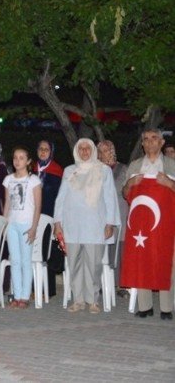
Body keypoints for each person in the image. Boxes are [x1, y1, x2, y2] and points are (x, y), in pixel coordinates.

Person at [54, 138, 120, 315]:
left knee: (93, 265)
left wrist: (110, 223)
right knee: (74, 263)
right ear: (77, 151)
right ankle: (78, 300)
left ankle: (93, 301)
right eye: (81, 148)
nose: (84, 152)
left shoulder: (104, 170)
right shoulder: (69, 170)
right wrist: (57, 222)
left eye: (87, 148)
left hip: (95, 225)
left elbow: (110, 198)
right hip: (72, 225)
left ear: (93, 151)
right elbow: (61, 198)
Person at [123, 129, 175, 320]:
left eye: (154, 139)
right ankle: (145, 306)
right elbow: (125, 193)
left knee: (167, 261)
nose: (150, 142)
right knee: (142, 262)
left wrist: (169, 183)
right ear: (142, 144)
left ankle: (166, 307)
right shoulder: (136, 165)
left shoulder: (172, 164)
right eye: (146, 139)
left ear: (161, 142)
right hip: (142, 226)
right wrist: (130, 183)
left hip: (168, 224)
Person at [3, 146, 42, 309]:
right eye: (15, 157)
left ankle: (25, 296)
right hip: (12, 224)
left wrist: (34, 227)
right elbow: (7, 204)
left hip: (27, 224)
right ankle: (17, 294)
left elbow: (38, 206)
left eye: (21, 158)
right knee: (15, 260)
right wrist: (4, 225)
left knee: (26, 260)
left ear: (28, 161)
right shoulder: (8, 180)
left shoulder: (34, 181)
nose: (17, 161)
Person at [97, 140, 129, 296]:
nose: (105, 153)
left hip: (120, 212)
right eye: (101, 151)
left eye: (108, 150)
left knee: (118, 250)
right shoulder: (96, 170)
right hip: (100, 215)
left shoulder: (123, 169)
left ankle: (119, 285)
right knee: (103, 250)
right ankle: (102, 283)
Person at [34, 140, 64, 297]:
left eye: (46, 149)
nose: (43, 152)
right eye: (40, 149)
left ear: (51, 152)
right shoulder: (32, 168)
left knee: (47, 251)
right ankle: (34, 288)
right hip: (33, 217)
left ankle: (48, 289)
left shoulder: (57, 170)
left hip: (49, 216)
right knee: (34, 251)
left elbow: (59, 197)